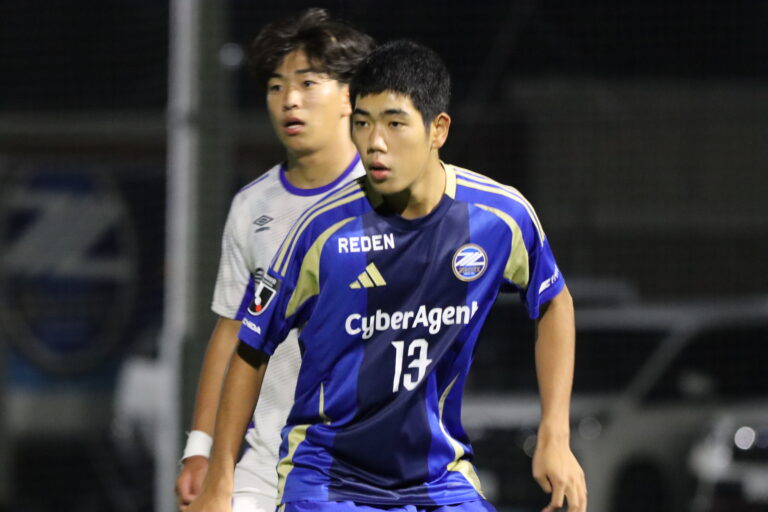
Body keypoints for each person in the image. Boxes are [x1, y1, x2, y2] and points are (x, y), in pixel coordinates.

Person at [191, 39, 586, 512]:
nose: (375, 143)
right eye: (362, 123)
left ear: (438, 129)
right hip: (330, 481)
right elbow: (251, 349)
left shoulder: (500, 217)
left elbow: (553, 301)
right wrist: (219, 480)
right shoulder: (320, 231)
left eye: (394, 123)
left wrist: (555, 434)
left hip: (439, 477)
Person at [175, 9, 374, 512]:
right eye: (275, 86)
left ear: (349, 96)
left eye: (307, 83)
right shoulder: (252, 206)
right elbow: (232, 331)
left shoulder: (390, 199)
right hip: (269, 463)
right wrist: (200, 448)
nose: (289, 99)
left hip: (371, 466)